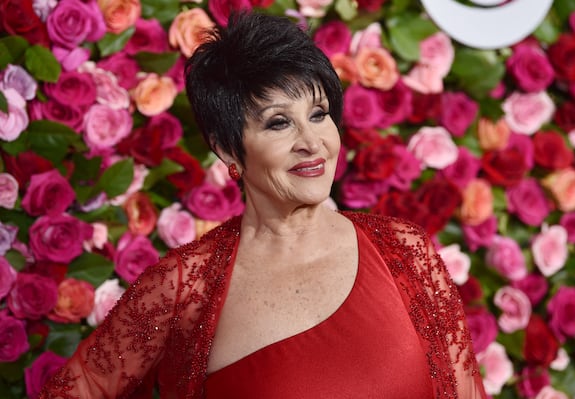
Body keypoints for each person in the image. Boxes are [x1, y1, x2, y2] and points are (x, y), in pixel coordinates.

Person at [41, 11, 486, 399]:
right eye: (279, 123)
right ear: (228, 149)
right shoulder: (183, 288)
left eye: (318, 114)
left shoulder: (404, 251)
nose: (311, 143)